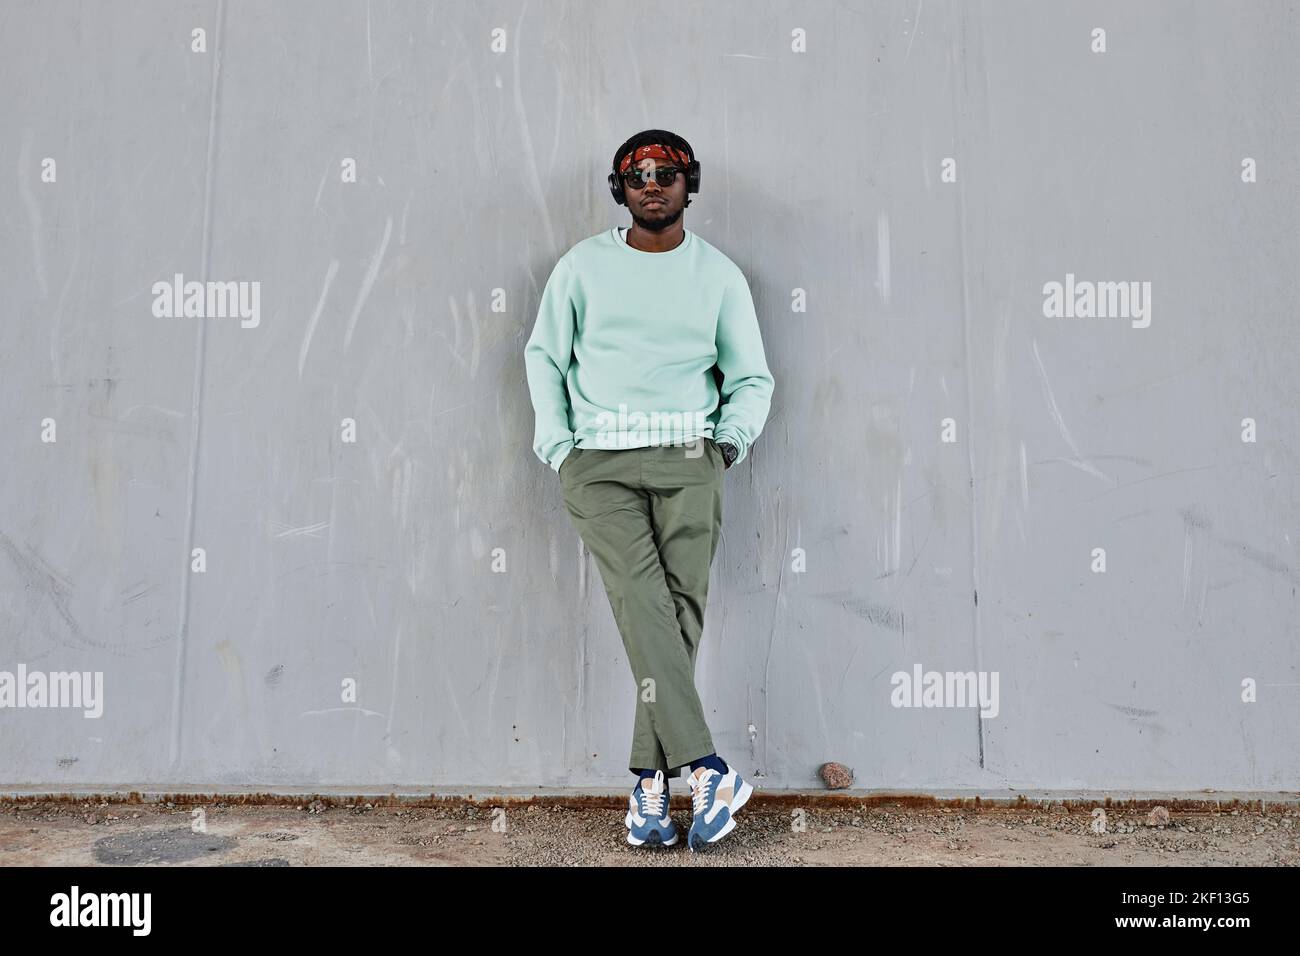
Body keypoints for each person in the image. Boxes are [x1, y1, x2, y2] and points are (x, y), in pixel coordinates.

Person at [524, 129, 774, 851]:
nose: (652, 182)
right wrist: (559, 446)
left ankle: (650, 787)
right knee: (642, 599)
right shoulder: (582, 267)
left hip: (689, 456)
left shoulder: (719, 276)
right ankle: (707, 766)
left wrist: (726, 445)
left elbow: (751, 376)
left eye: (668, 172)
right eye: (638, 173)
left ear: (690, 183)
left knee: (674, 614)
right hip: (597, 461)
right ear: (620, 188)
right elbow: (544, 355)